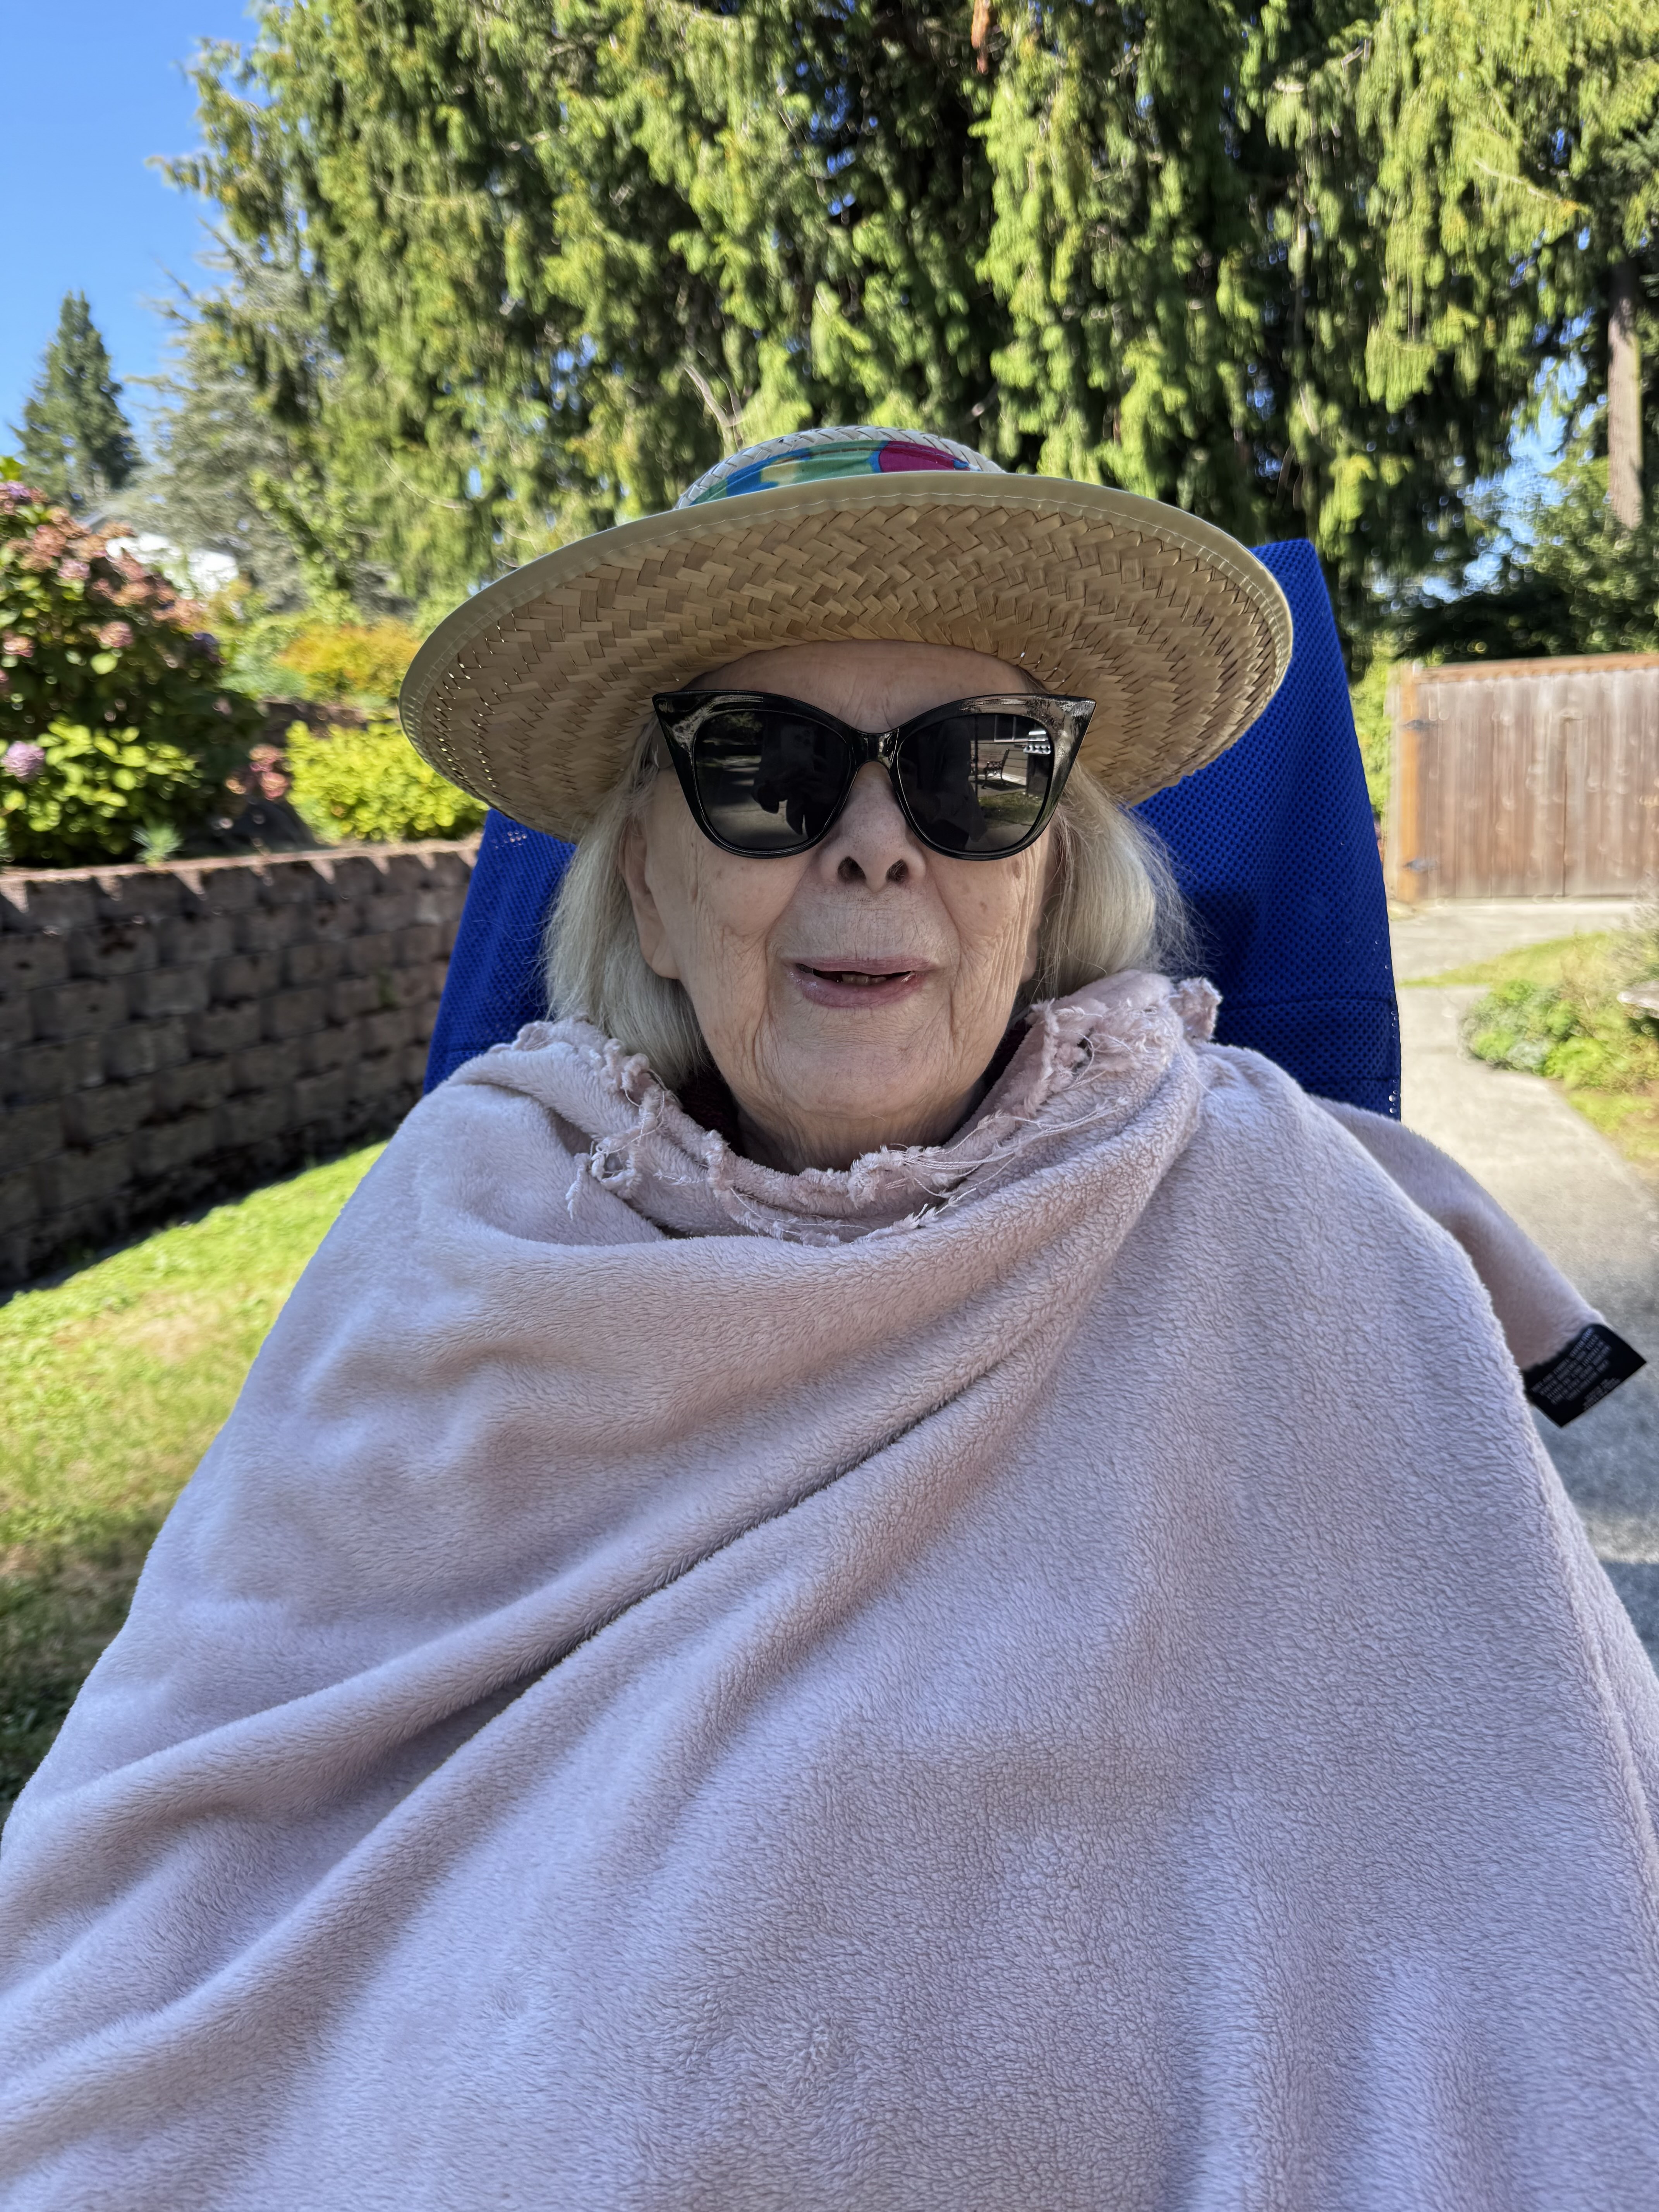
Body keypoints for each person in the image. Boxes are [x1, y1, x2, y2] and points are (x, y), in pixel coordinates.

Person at [1, 428, 1655, 2209]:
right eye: (763, 769)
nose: (876, 848)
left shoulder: (1296, 1218)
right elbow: (182, 1828)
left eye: (975, 772)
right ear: (647, 882)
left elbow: (1529, 1858)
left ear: (1048, 871)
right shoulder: (466, 1228)